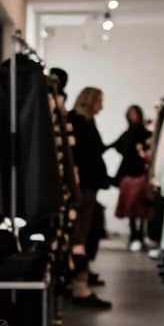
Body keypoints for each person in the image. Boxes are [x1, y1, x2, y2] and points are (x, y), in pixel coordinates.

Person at [67, 87, 111, 309]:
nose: (101, 106)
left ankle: (81, 278)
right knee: (80, 234)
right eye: (99, 101)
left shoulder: (85, 122)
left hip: (88, 185)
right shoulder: (76, 122)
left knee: (85, 231)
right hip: (82, 186)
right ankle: (79, 286)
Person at [111, 104, 152, 250]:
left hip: (141, 173)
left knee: (142, 206)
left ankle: (140, 235)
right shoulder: (127, 135)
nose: (133, 117)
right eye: (131, 114)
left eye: (135, 114)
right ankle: (134, 234)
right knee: (131, 207)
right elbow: (116, 146)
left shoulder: (145, 134)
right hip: (128, 173)